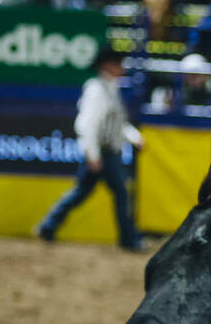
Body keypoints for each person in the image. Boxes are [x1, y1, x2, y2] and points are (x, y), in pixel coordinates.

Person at [35, 46, 144, 251]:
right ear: (107, 66)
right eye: (117, 63)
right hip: (102, 151)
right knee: (120, 192)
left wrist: (134, 137)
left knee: (82, 192)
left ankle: (48, 225)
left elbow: (116, 123)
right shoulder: (97, 90)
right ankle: (128, 240)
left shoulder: (110, 88)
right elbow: (87, 124)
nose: (121, 67)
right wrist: (93, 153)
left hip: (105, 151)